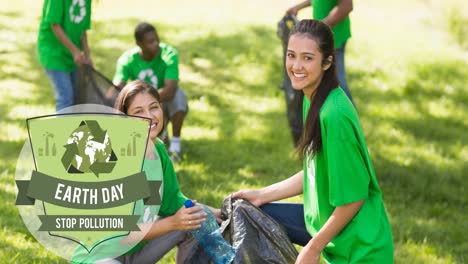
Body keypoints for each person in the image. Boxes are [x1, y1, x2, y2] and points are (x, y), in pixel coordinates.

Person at [233, 20, 393, 264]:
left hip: (358, 250)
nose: (296, 66)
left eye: (307, 58)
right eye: (291, 55)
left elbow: (354, 198)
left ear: (327, 62)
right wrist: (261, 195)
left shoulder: (334, 114)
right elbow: (314, 172)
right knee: (250, 213)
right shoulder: (313, 98)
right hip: (324, 226)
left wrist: (312, 248)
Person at [91, 80, 218, 263]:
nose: (149, 116)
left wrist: (214, 212)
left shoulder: (157, 149)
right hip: (103, 255)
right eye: (138, 111)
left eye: (153, 107)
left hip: (137, 252)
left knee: (195, 223)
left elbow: (173, 201)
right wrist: (172, 223)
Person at [113, 22, 188, 161]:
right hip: (145, 107)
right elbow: (117, 88)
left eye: (157, 39)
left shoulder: (168, 54)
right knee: (157, 150)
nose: (156, 44)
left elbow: (170, 89)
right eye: (150, 42)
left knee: (179, 96)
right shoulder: (127, 60)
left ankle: (176, 147)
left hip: (164, 100)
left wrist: (148, 100)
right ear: (139, 43)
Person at [287, 0, 354, 103]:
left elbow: (346, 6)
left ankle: (348, 115)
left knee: (337, 82)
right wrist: (298, 7)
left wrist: (320, 27)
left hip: (334, 37)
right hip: (319, 38)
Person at [37, 0, 93, 111]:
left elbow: (82, 29)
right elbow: (54, 25)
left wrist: (87, 54)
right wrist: (75, 51)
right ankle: (62, 128)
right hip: (53, 53)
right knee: (66, 98)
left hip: (73, 56)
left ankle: (73, 128)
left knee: (77, 97)